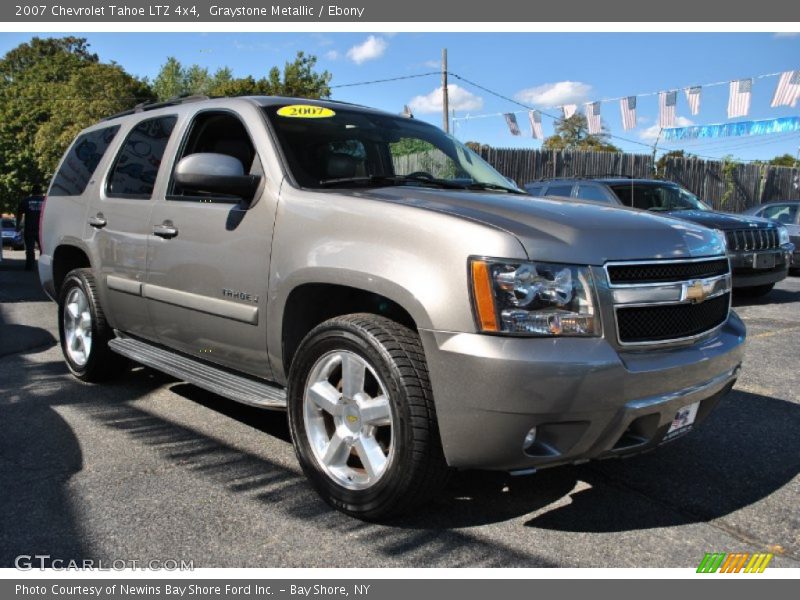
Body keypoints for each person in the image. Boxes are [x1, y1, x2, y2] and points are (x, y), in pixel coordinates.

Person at [16, 186, 44, 271]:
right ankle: (43, 267)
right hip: (42, 229)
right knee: (43, 249)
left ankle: (29, 266)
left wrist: (18, 225)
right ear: (40, 191)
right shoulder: (46, 200)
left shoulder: (26, 201)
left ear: (32, 192)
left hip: (29, 228)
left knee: (29, 249)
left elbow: (19, 214)